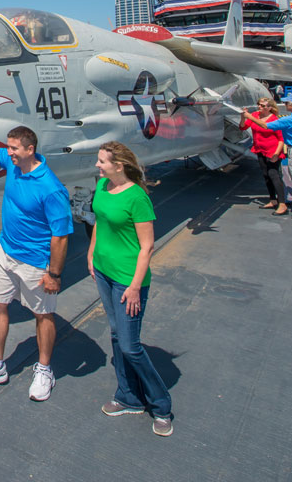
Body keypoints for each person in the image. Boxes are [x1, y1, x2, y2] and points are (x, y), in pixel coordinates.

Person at [0, 126, 72, 403]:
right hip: (4, 250)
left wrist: (54, 274)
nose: (9, 153)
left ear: (30, 150)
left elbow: (61, 238)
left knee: (43, 315)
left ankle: (44, 370)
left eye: (15, 148)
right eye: (9, 147)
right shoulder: (13, 161)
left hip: (35, 262)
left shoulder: (51, 188)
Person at [88, 141, 173, 437]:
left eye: (102, 161)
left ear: (119, 165)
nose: (97, 166)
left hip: (127, 278)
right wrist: (91, 253)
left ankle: (161, 405)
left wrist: (135, 286)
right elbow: (99, 221)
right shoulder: (102, 186)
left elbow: (147, 246)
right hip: (103, 270)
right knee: (115, 334)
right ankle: (129, 396)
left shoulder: (137, 198)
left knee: (130, 345)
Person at [239, 97, 288, 215]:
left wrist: (276, 154)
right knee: (266, 175)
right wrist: (243, 117)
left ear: (269, 108)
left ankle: (282, 204)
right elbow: (243, 127)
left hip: (272, 150)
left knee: (274, 174)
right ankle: (273, 200)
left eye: (262, 105)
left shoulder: (274, 119)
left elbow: (281, 139)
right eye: (259, 104)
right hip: (260, 149)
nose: (259, 107)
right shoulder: (255, 115)